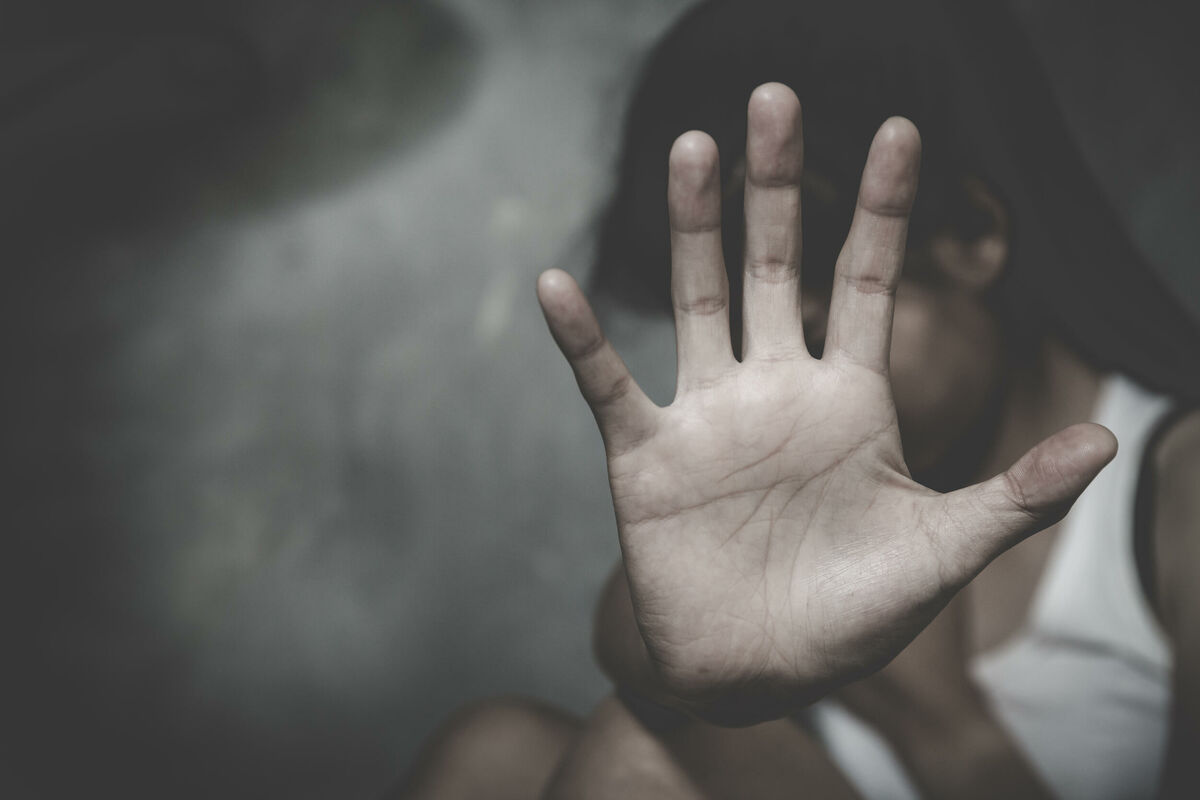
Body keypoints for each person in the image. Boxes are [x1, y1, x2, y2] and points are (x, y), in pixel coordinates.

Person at [396, 2, 1200, 798]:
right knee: (494, 756)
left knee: (636, 767)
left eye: (812, 300)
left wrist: (941, 727)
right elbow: (639, 629)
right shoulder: (824, 477)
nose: (779, 355)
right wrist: (685, 631)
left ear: (971, 234)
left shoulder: (1177, 493)